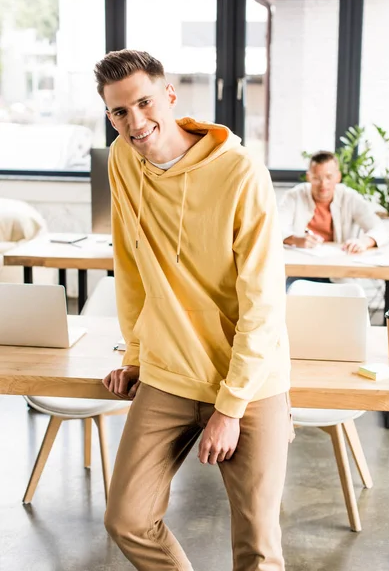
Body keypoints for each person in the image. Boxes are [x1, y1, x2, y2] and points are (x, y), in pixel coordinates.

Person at [94, 49, 293, 571]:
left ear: (171, 97)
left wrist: (230, 408)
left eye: (144, 102)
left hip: (250, 381)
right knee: (127, 518)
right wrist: (136, 353)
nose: (135, 122)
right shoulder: (122, 159)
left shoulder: (241, 173)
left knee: (257, 545)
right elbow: (132, 266)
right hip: (170, 373)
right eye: (119, 112)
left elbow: (263, 302)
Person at [279, 150, 389, 253]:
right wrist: (294, 240)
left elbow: (379, 229)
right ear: (308, 177)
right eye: (317, 178)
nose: (323, 184)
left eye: (329, 177)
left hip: (341, 265)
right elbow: (274, 229)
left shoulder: (350, 197)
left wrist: (364, 242)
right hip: (301, 265)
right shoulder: (293, 196)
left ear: (338, 177)